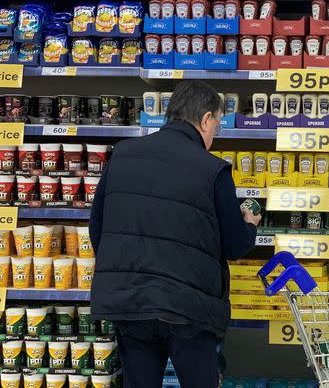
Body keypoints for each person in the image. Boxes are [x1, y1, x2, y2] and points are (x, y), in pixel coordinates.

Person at [89, 80, 260, 387]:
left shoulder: (122, 155)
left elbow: (98, 228)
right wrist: (250, 224)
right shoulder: (212, 169)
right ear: (206, 119)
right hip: (188, 309)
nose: (214, 135)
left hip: (130, 302)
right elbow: (234, 245)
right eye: (217, 126)